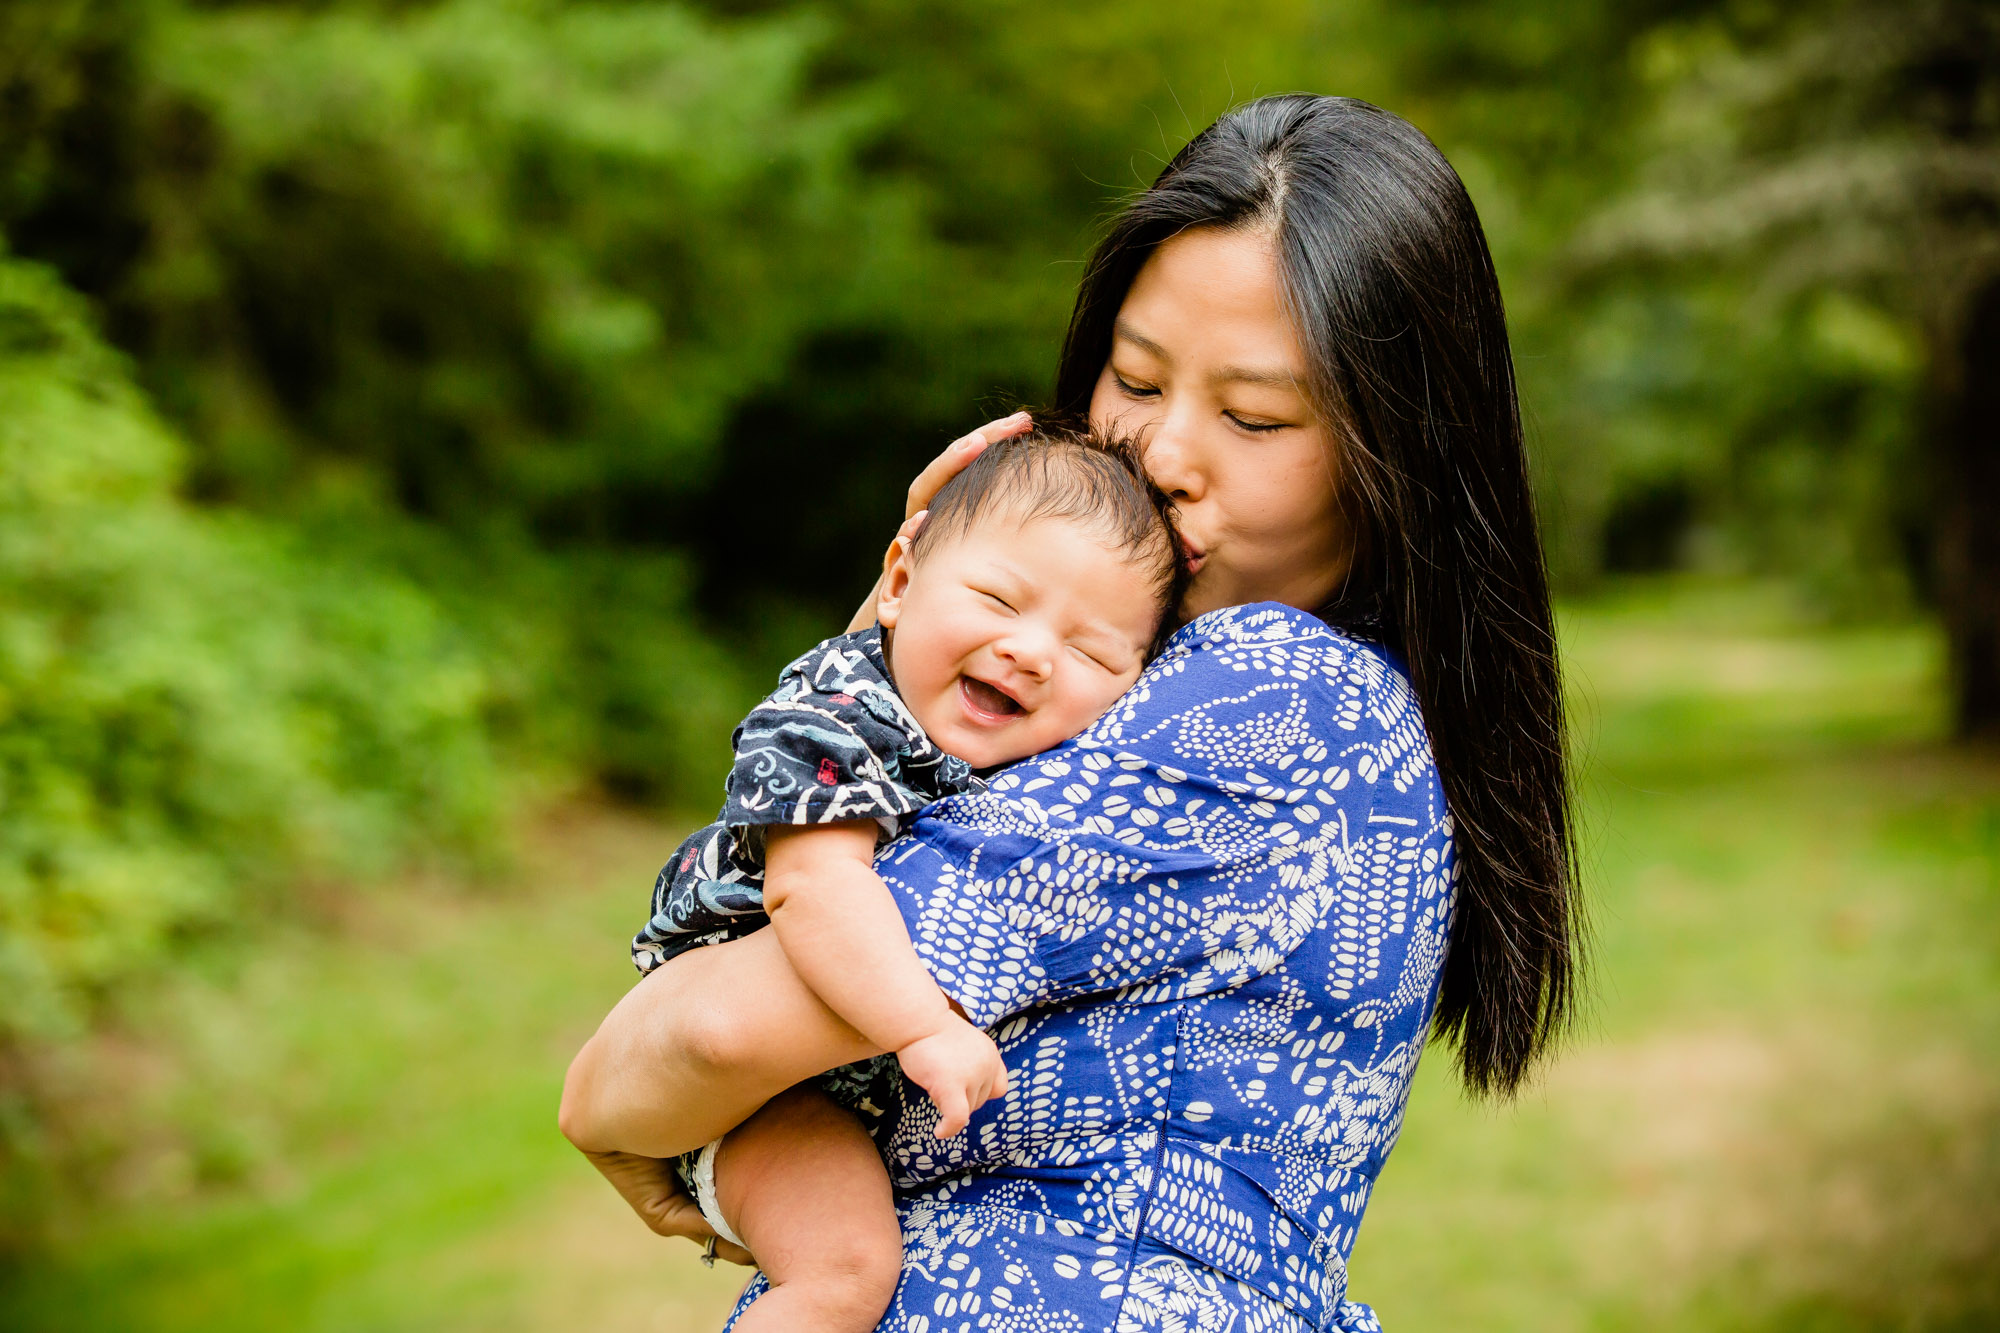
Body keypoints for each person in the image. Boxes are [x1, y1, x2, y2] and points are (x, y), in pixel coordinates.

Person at [561, 93, 1581, 1332]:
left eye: (1252, 417)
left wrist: (617, 1102)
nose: (1158, 454)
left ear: (1397, 457)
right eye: (1133, 377)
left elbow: (709, 1031)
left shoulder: (1272, 705)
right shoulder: (1146, 709)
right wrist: (881, 659)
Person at [622, 430, 1186, 1332]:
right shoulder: (839, 712)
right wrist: (924, 1026)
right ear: (898, 579)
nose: (1032, 653)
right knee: (846, 1269)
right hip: (758, 1100)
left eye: (1093, 653)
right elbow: (813, 888)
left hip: (852, 1093)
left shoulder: (1035, 763)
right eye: (1000, 598)